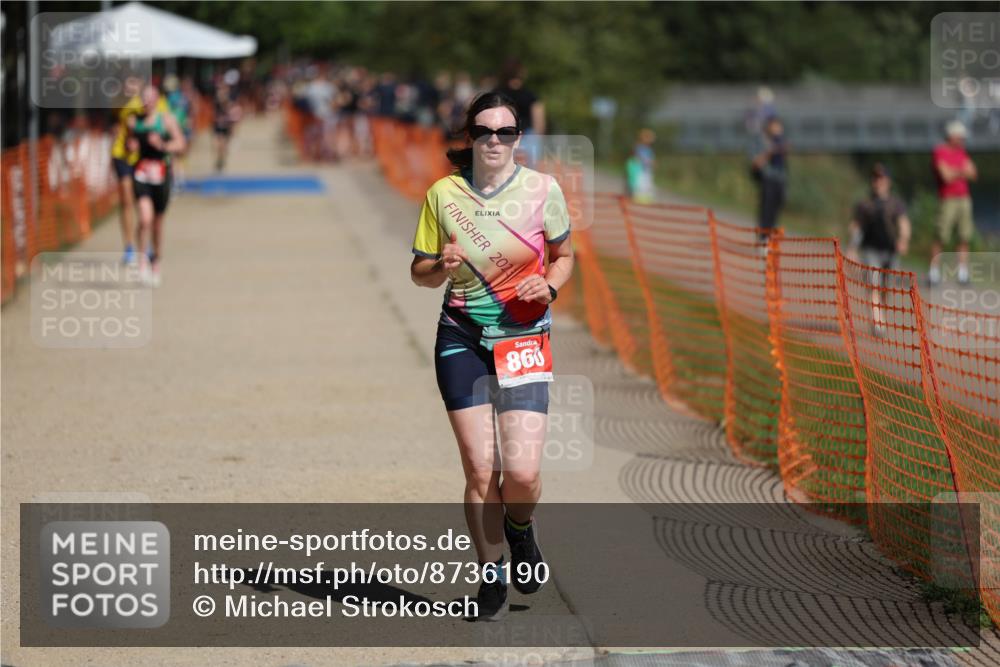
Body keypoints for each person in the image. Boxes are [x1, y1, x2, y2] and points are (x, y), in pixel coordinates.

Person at [409, 92, 573, 621]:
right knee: (481, 469)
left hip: (523, 338)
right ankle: (492, 575)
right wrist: (441, 264)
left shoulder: (543, 191)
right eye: (484, 131)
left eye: (505, 132)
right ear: (470, 137)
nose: (494, 141)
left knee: (521, 474)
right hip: (461, 335)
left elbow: (565, 257)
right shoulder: (443, 194)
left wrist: (547, 288)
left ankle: (520, 530)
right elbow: (420, 272)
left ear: (519, 138)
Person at [131, 85, 186, 287]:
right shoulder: (134, 121)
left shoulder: (166, 121)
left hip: (161, 176)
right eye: (143, 98)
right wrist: (132, 146)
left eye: (150, 98)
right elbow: (124, 143)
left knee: (157, 224)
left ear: (156, 100)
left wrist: (162, 145)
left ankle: (156, 260)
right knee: (145, 218)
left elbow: (181, 144)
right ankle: (141, 260)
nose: (146, 102)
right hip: (141, 174)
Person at [846, 164, 911, 333]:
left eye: (881, 178)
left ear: (888, 181)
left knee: (886, 287)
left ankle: (880, 311)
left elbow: (904, 224)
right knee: (873, 284)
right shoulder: (864, 204)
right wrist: (852, 248)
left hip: (890, 251)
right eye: (875, 178)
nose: (877, 181)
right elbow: (856, 226)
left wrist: (903, 240)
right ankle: (877, 321)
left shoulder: (895, 204)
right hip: (870, 250)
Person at [929, 120, 977, 286]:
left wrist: (955, 171)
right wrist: (962, 171)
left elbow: (973, 173)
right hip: (947, 199)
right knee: (941, 235)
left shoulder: (961, 153)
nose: (963, 140)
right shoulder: (940, 152)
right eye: (960, 137)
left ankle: (963, 273)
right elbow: (945, 176)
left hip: (964, 198)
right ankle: (933, 272)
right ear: (951, 136)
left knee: (964, 236)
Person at [750, 116, 788, 235]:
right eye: (775, 126)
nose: (777, 129)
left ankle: (770, 234)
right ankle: (763, 237)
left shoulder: (780, 140)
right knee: (766, 210)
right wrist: (769, 153)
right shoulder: (760, 141)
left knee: (776, 208)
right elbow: (756, 163)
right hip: (768, 179)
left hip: (780, 179)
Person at [626, 128, 656, 203]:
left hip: (646, 169)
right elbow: (637, 157)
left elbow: (650, 158)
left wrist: (651, 162)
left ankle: (645, 197)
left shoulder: (649, 149)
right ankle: (637, 197)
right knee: (639, 183)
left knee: (647, 183)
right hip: (639, 169)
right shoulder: (638, 147)